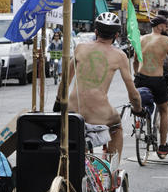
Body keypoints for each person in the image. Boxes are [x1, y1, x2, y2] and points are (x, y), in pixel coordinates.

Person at [56, 11, 142, 164]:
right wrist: (138, 108)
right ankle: (110, 170)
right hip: (100, 113)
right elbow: (133, 93)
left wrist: (58, 103)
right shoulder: (120, 55)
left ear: (96, 32)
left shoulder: (80, 48)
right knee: (116, 128)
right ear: (116, 35)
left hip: (73, 109)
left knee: (77, 134)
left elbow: (64, 81)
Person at [134, 15, 168, 157]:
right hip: (157, 79)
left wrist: (136, 74)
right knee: (164, 110)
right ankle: (162, 145)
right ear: (160, 26)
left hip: (141, 78)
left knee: (142, 102)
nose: (167, 28)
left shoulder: (141, 39)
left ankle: (144, 118)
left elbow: (135, 61)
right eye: (165, 26)